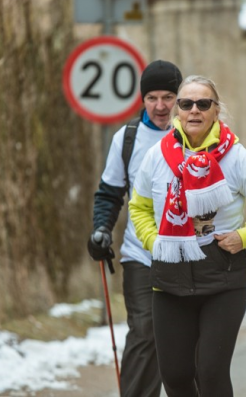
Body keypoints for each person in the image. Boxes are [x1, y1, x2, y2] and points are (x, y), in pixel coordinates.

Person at [128, 75, 246, 397]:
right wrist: (154, 241)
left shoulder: (236, 156)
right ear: (177, 111)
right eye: (186, 104)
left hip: (223, 278)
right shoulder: (157, 156)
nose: (194, 110)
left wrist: (244, 236)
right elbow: (139, 207)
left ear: (216, 111)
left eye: (203, 104)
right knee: (175, 375)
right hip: (170, 276)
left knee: (211, 372)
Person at [87, 59, 183, 397]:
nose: (160, 106)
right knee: (145, 330)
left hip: (190, 257)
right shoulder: (127, 139)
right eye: (152, 98)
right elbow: (110, 194)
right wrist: (101, 228)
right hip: (140, 253)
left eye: (168, 97)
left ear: (179, 98)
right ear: (142, 100)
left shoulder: (197, 135)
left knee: (183, 337)